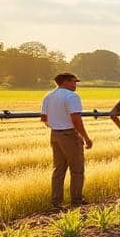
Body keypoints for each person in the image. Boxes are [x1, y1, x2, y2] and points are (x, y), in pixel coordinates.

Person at [40, 72, 93, 208]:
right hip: (69, 134)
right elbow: (76, 119)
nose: (75, 85)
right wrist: (85, 137)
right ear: (66, 82)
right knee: (77, 169)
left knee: (58, 169)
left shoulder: (48, 96)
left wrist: (56, 126)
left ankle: (56, 202)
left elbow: (44, 119)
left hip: (54, 134)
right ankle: (76, 201)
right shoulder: (72, 96)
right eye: (74, 81)